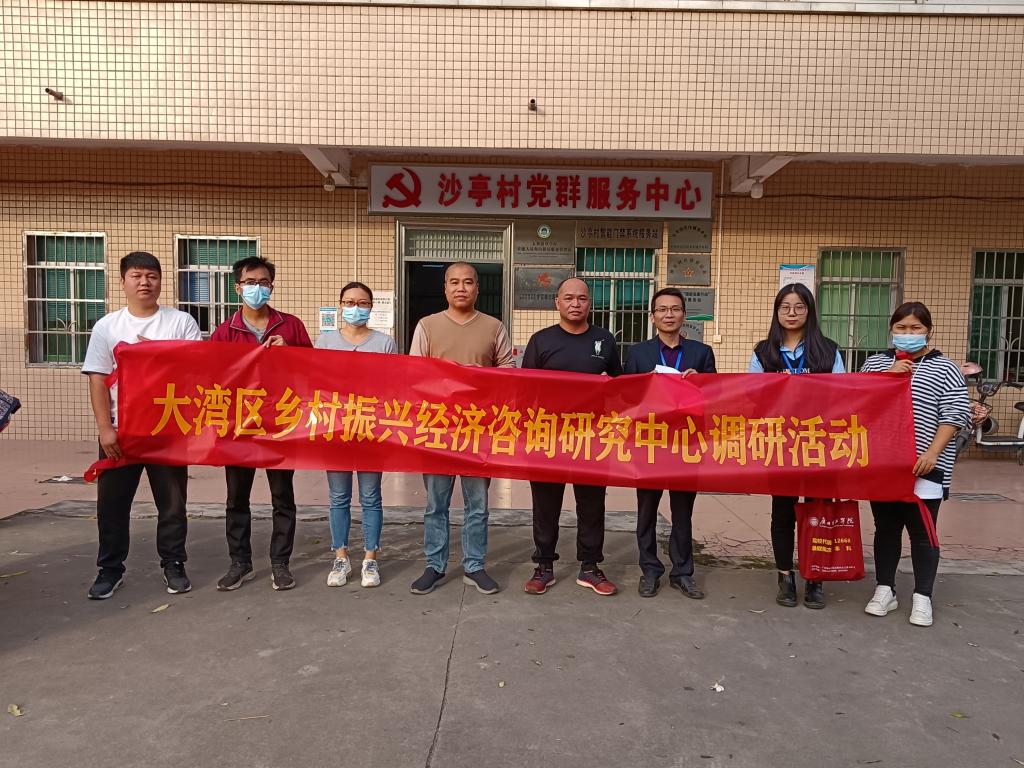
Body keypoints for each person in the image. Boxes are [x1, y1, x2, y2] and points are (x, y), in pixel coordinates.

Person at [81, 251, 203, 599]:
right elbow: (97, 379)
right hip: (122, 432)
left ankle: (173, 564)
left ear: (161, 281)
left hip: (168, 430)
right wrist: (105, 429)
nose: (144, 282)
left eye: (151, 276)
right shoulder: (108, 326)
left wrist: (162, 353)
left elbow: (198, 369)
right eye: (136, 276)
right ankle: (110, 569)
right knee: (112, 505)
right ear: (122, 282)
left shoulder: (181, 323)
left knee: (173, 504)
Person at [860, 302, 970, 627]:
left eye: (915, 328)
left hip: (925, 466)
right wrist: (886, 377)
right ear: (891, 330)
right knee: (886, 528)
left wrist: (933, 453)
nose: (907, 333)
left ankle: (923, 596)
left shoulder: (945, 368)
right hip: (883, 465)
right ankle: (885, 589)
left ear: (928, 331)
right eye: (901, 328)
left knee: (923, 532)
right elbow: (859, 403)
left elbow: (955, 413)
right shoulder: (875, 363)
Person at [408, 261, 515, 595]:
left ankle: (475, 565)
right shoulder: (427, 326)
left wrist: (477, 376)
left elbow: (508, 369)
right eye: (454, 282)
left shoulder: (494, 327)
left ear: (477, 288)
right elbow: (414, 374)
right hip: (437, 430)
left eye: (468, 282)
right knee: (435, 505)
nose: (461, 288)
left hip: (478, 431)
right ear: (445, 288)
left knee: (477, 505)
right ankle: (434, 565)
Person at [210, 256, 312, 591]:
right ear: (237, 287)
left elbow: (313, 371)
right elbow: (212, 378)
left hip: (280, 424)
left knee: (282, 496)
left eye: (264, 282)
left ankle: (280, 563)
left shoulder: (291, 326)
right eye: (250, 282)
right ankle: (240, 563)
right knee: (236, 498)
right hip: (239, 427)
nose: (257, 288)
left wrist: (290, 352)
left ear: (272, 286)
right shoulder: (225, 332)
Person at [521, 277, 623, 597]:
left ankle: (590, 567)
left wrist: (609, 387)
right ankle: (544, 566)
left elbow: (620, 388)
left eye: (582, 298)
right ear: (557, 302)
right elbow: (526, 390)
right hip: (549, 436)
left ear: (590, 303)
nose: (575, 303)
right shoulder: (541, 341)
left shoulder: (604, 340)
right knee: (545, 505)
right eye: (568, 298)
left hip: (592, 437)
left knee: (591, 505)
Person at [749, 283, 845, 609]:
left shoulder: (828, 351)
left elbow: (843, 398)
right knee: (782, 513)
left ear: (809, 311)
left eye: (799, 307)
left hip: (820, 445)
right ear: (777, 312)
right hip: (781, 445)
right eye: (785, 307)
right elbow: (754, 398)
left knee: (818, 512)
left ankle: (815, 578)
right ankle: (785, 577)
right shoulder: (763, 352)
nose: (792, 313)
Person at [625, 287, 716, 600]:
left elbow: (715, 397)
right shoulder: (638, 354)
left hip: (685, 445)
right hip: (649, 443)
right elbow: (626, 399)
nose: (669, 315)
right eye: (662, 310)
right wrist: (646, 383)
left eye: (675, 309)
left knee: (682, 513)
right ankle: (650, 570)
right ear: (653, 317)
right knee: (646, 511)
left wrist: (699, 382)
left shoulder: (701, 353)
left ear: (684, 315)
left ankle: (682, 573)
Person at [315, 281, 397, 588]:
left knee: (370, 496)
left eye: (362, 303)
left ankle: (370, 558)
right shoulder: (325, 341)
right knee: (338, 497)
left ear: (371, 307)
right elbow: (316, 385)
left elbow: (393, 386)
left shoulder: (384, 343)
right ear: (340, 306)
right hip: (335, 429)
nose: (355, 308)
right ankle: (341, 557)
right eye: (349, 302)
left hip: (370, 430)